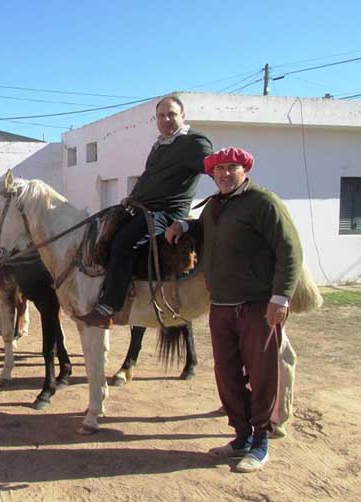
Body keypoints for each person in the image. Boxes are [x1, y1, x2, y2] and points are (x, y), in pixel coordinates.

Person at [165, 146, 303, 473]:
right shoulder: (215, 205)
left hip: (257, 305)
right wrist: (184, 227)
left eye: (232, 168)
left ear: (245, 170)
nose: (225, 174)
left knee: (262, 375)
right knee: (227, 375)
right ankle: (240, 438)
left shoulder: (262, 202)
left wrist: (280, 298)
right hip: (222, 306)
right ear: (211, 174)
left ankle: (260, 443)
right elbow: (206, 230)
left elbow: (289, 250)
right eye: (219, 169)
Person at [77, 95, 213, 328]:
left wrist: (231, 178)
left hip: (167, 212)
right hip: (142, 208)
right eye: (161, 115)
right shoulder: (160, 145)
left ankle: (109, 307)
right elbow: (148, 177)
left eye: (172, 114)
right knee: (104, 232)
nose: (166, 119)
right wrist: (132, 197)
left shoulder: (194, 142)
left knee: (124, 243)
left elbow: (212, 167)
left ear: (183, 116)